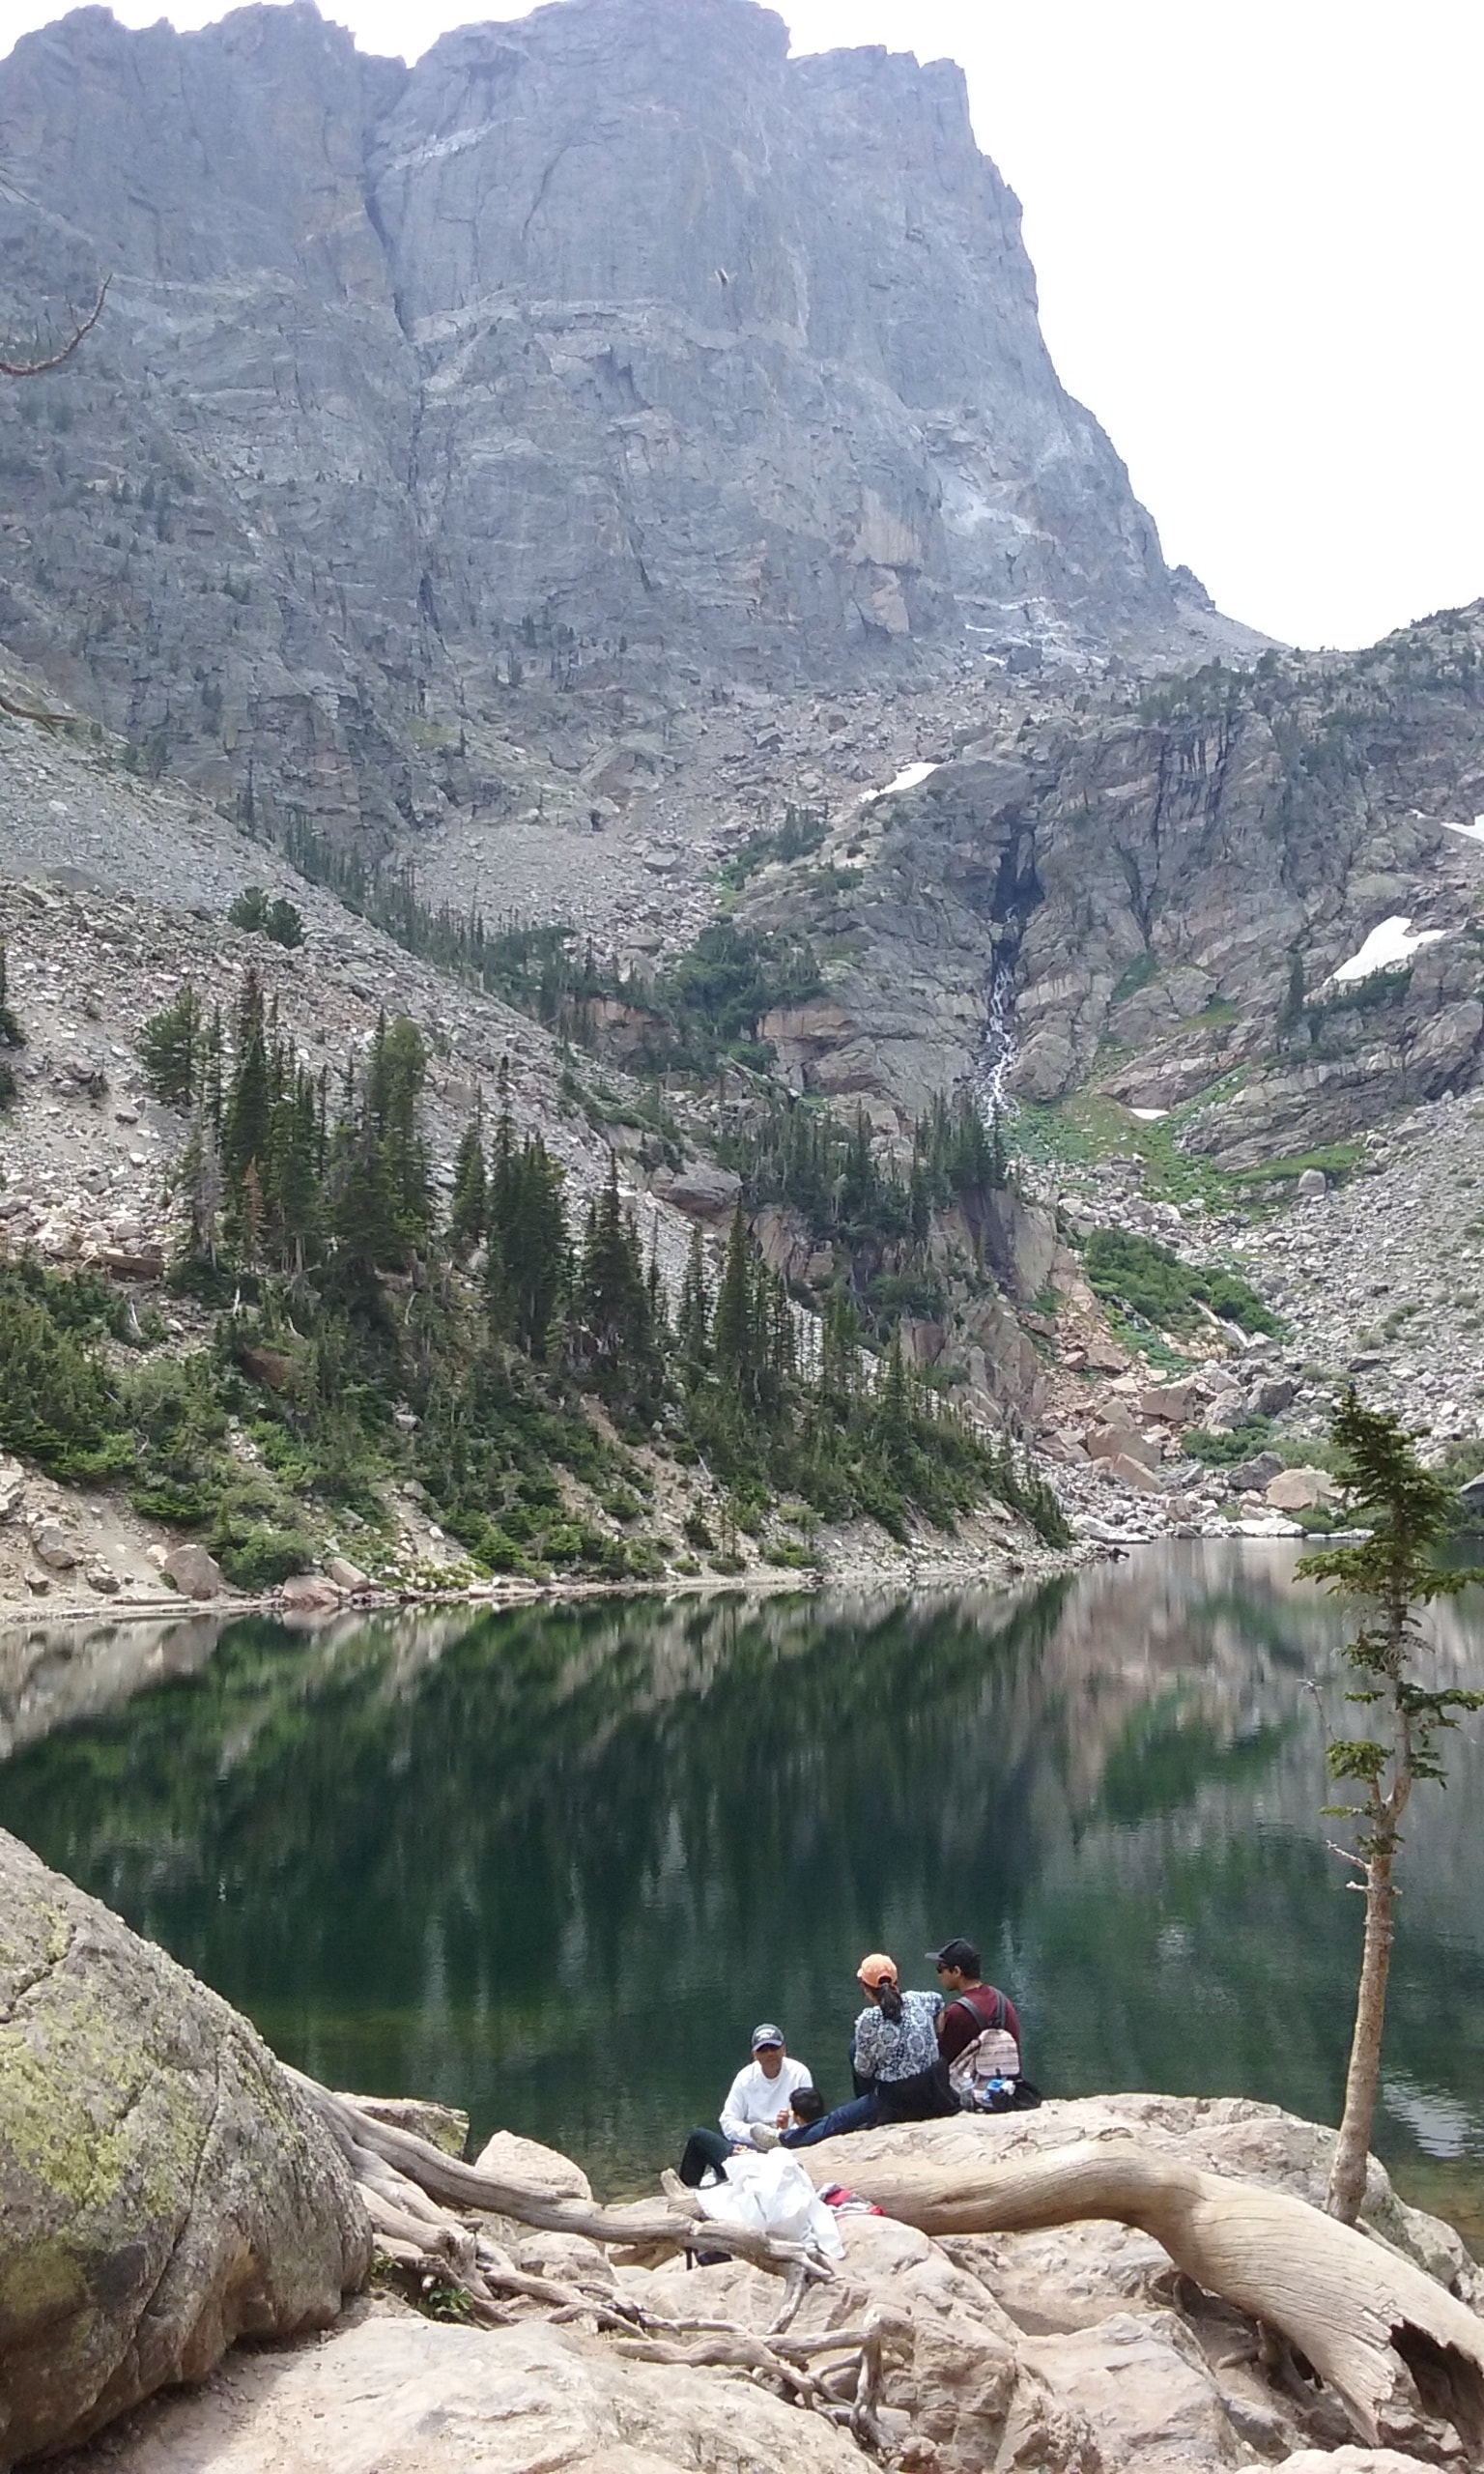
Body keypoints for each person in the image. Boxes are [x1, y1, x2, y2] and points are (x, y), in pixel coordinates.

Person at [787, 1954, 956, 2146]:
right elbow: (939, 2002)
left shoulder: (869, 2020)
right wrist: (933, 2039)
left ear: (866, 1989)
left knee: (839, 2118)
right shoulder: (921, 1999)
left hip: (897, 2098)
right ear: (896, 1981)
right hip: (933, 2086)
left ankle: (788, 2139)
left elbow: (863, 2070)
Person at [677, 2022, 814, 2186]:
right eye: (763, 2050)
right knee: (698, 2137)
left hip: (786, 2149)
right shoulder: (745, 2078)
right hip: (747, 2151)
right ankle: (686, 2190)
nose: (770, 2054)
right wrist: (753, 2135)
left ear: (783, 2049)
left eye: (774, 2048)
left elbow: (809, 2120)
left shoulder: (799, 2073)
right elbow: (727, 2121)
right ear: (755, 2055)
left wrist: (782, 2135)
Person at [928, 1936, 1031, 2109]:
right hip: (1010, 2088)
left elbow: (945, 2061)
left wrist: (939, 2032)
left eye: (941, 1968)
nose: (939, 1974)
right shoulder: (1002, 2000)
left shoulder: (957, 2012)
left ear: (957, 1972)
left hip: (972, 2093)